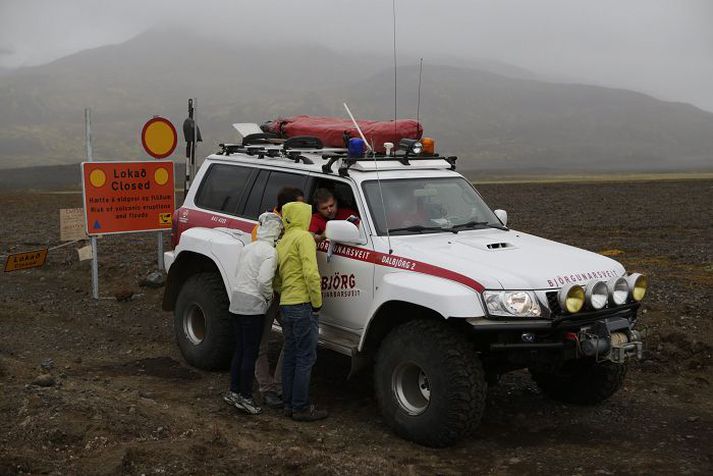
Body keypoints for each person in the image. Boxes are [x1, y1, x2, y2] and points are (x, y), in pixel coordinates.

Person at [223, 212, 283, 415]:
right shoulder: (270, 252)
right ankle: (246, 397)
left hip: (236, 302)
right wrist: (268, 298)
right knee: (250, 353)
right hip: (252, 308)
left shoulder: (248, 247)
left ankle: (234, 391)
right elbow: (264, 280)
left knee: (239, 350)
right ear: (275, 231)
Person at [275, 201, 328, 421]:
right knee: (306, 358)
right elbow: (311, 273)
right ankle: (301, 407)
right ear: (303, 217)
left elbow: (277, 278)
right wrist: (317, 304)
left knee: (290, 355)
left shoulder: (283, 240)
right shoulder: (304, 238)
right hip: (303, 304)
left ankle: (288, 403)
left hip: (286, 304)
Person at [253, 187, 305, 409]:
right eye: (300, 205)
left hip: (285, 292)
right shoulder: (264, 228)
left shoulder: (296, 227)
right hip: (266, 293)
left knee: (292, 339)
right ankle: (266, 388)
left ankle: (280, 384)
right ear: (287, 208)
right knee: (261, 342)